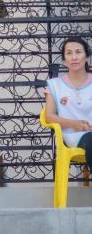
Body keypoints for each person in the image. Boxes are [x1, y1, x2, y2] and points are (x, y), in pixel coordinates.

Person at [45, 37, 92, 168]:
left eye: (78, 52)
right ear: (64, 60)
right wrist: (74, 124)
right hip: (73, 135)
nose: (74, 57)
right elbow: (49, 116)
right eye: (69, 53)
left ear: (87, 57)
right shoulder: (55, 85)